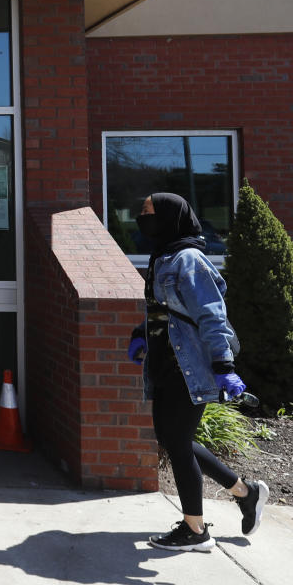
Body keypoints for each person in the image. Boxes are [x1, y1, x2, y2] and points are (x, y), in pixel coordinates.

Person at [128, 193, 269, 552]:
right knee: (172, 439)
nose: (140, 219)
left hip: (189, 367)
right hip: (165, 362)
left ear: (170, 217)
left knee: (176, 442)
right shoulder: (163, 256)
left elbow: (212, 316)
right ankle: (245, 491)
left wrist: (224, 367)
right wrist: (139, 335)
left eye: (147, 213)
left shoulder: (189, 259)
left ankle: (195, 530)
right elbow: (161, 309)